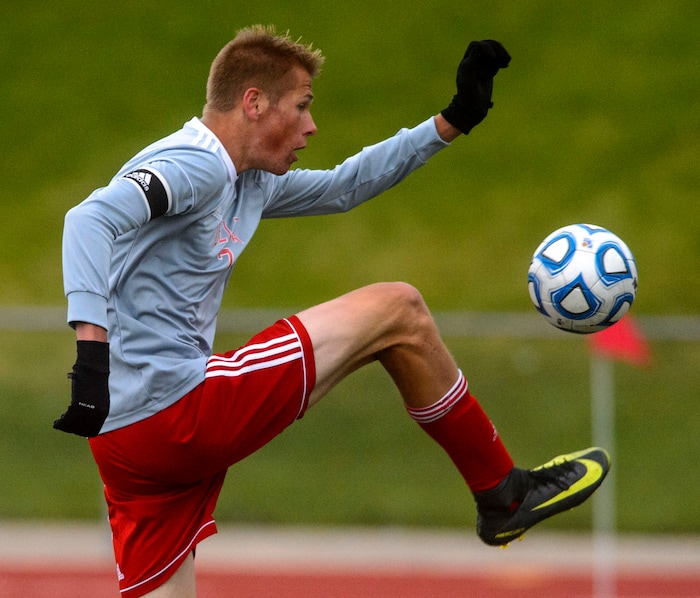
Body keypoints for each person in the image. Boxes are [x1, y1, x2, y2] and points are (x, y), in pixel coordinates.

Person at [56, 25, 610, 597]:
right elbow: (88, 221)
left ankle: (502, 496)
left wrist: (452, 120)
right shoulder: (199, 164)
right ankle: (503, 493)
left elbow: (347, 186)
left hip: (126, 440)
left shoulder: (248, 181)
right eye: (300, 108)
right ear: (253, 103)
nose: (310, 126)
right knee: (400, 310)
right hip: (173, 411)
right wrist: (91, 353)